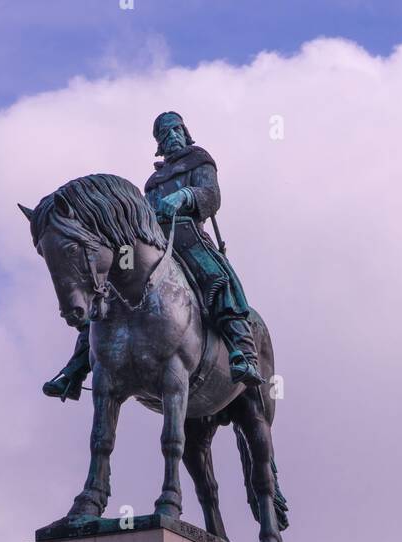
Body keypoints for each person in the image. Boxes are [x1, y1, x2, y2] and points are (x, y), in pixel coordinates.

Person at [43, 111, 263, 400]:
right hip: (150, 240)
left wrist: (185, 197)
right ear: (158, 143)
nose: (171, 137)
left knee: (217, 277)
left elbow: (211, 196)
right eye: (164, 134)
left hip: (188, 235)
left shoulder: (200, 160)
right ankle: (76, 369)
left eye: (175, 131)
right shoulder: (154, 180)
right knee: (106, 290)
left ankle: (243, 350)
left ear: (185, 133)